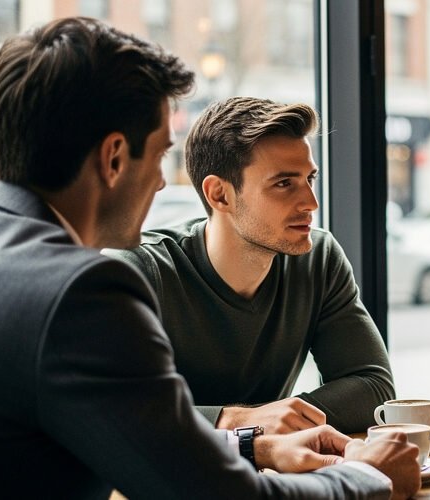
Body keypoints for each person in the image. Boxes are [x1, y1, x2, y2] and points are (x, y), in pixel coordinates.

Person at [0, 17, 419, 499]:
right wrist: (367, 476)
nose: (161, 183)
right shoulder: (81, 292)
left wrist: (253, 443)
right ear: (114, 158)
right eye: (159, 157)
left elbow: (147, 443)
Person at [104, 96, 393, 435]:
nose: (310, 203)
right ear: (219, 195)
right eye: (283, 183)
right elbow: (115, 409)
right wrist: (238, 422)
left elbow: (374, 388)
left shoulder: (318, 258)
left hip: (277, 465)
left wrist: (274, 421)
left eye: (309, 179)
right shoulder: (138, 272)